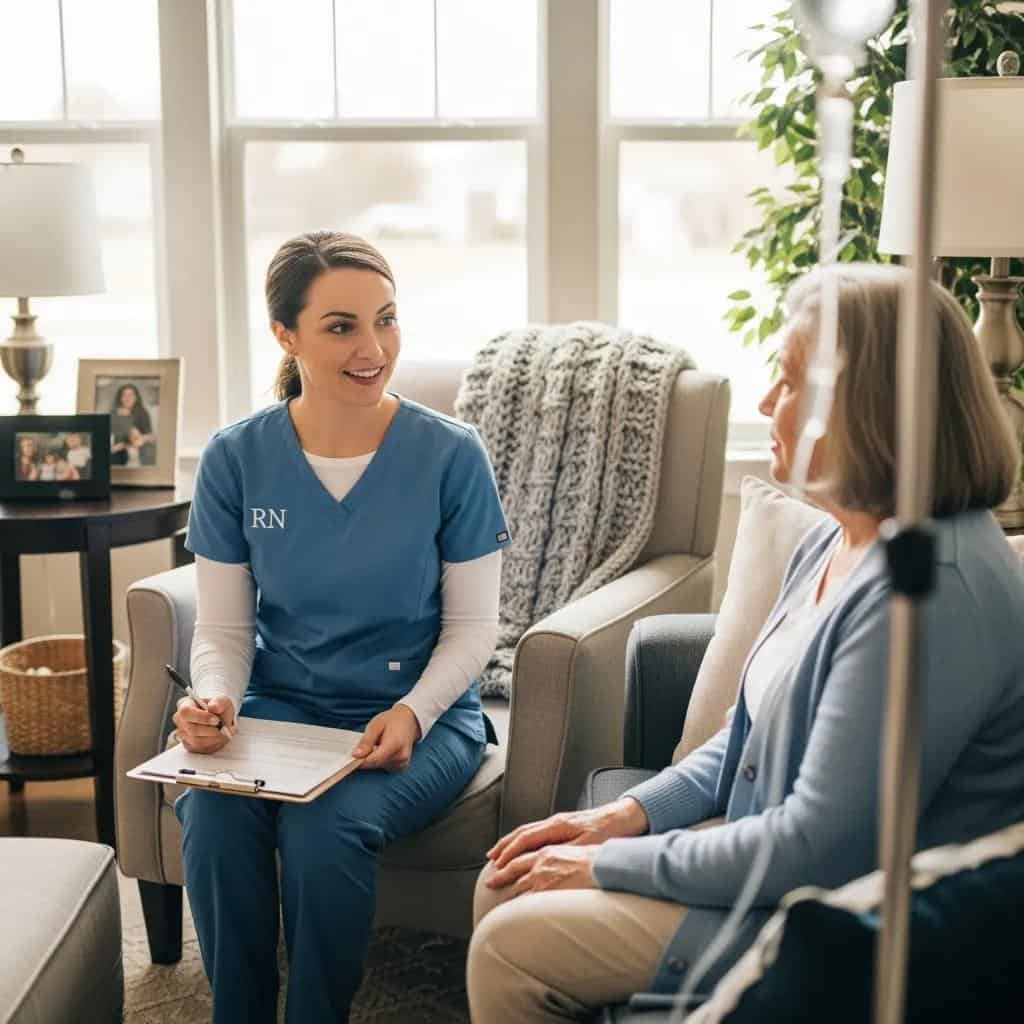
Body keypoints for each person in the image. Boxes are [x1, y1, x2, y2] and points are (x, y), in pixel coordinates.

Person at [467, 263, 1024, 1022]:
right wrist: (624, 814)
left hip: (840, 917)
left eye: (791, 383)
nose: (766, 403)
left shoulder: (928, 592)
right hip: (766, 857)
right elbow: (745, 732)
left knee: (509, 946)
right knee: (506, 878)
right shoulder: (836, 537)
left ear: (871, 407)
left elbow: (820, 849)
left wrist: (606, 863)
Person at [173, 230, 511, 1024]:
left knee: (329, 830)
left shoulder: (452, 455)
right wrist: (215, 699)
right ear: (285, 335)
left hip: (420, 719)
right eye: (342, 326)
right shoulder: (235, 458)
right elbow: (224, 629)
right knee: (212, 811)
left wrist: (412, 712)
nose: (374, 348)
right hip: (284, 711)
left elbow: (472, 629)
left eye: (386, 320)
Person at [110, 382, 156, 465]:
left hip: (138, 443)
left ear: (136, 397)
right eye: (124, 395)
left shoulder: (142, 412)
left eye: (131, 395)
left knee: (148, 450)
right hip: (119, 446)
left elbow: (149, 435)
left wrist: (141, 439)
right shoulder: (113, 413)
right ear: (120, 398)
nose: (128, 398)